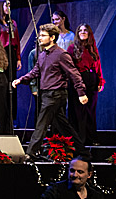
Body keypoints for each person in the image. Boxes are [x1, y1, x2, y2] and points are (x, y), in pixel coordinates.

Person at [13, 24, 88, 159]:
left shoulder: (61, 54)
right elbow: (36, 71)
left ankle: (30, 153)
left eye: (43, 35)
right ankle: (83, 152)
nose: (39, 38)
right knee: (63, 126)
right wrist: (21, 80)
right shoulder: (42, 55)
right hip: (46, 93)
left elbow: (74, 74)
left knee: (41, 123)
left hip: (56, 94)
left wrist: (81, 92)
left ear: (52, 38)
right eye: (40, 35)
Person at [67, 24, 105, 146]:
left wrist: (100, 81)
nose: (83, 32)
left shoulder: (93, 48)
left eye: (85, 30)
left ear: (89, 33)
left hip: (91, 80)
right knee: (78, 111)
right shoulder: (72, 48)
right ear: (77, 33)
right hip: (78, 81)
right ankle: (79, 139)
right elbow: (70, 68)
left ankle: (91, 138)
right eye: (80, 31)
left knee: (90, 111)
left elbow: (98, 66)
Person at [0, 0, 22, 127]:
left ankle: (10, 118)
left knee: (11, 85)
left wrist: (18, 57)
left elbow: (16, 41)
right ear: (0, 7)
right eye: (6, 5)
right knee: (0, 85)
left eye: (10, 5)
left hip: (11, 54)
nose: (8, 8)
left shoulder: (12, 23)